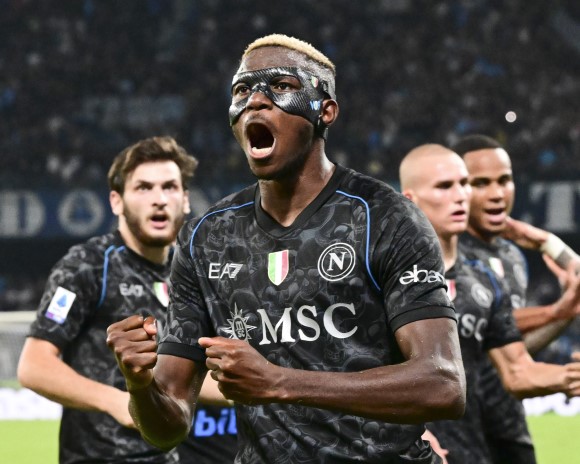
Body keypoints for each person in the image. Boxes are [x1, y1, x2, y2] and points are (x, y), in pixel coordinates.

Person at [106, 34, 466, 463]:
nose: (256, 100)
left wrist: (279, 382)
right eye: (242, 90)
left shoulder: (384, 217)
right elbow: (168, 428)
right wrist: (140, 386)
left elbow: (443, 385)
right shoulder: (207, 236)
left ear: (325, 110)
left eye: (281, 86)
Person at [17, 136, 238, 463]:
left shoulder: (190, 273)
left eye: (169, 187)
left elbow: (179, 377)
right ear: (116, 201)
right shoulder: (89, 265)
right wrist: (115, 401)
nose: (159, 199)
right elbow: (34, 366)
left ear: (185, 200)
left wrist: (250, 389)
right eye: (143, 188)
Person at [399, 143, 580, 464]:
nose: (460, 195)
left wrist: (569, 376)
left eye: (464, 184)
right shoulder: (386, 272)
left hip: (476, 445)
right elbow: (358, 365)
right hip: (408, 449)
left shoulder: (485, 278)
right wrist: (415, 433)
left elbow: (517, 369)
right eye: (445, 186)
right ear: (410, 199)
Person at [452, 134, 580, 464]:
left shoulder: (511, 257)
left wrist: (547, 242)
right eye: (481, 183)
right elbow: (482, 326)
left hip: (509, 424)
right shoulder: (444, 251)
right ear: (459, 188)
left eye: (504, 180)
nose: (497, 193)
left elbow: (510, 344)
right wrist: (555, 311)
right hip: (457, 428)